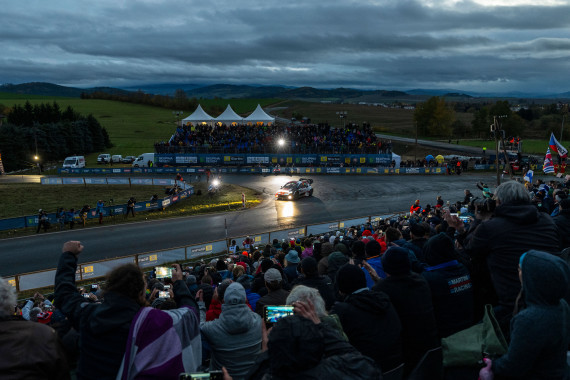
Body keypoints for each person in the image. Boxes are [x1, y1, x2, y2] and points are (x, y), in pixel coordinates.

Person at [55, 241, 201, 380]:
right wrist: (179, 283)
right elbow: (191, 313)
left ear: (109, 288)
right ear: (141, 293)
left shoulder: (88, 314)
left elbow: (64, 294)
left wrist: (68, 255)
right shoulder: (154, 321)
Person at [463, 181, 559, 330]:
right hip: (552, 298)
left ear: (499, 201)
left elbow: (470, 250)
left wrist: (479, 220)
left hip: (512, 306)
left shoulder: (490, 227)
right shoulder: (547, 220)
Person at [480, 250, 570, 380]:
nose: (518, 273)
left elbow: (513, 366)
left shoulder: (529, 320)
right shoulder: (562, 305)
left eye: (520, 269)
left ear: (533, 278)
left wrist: (492, 366)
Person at [371, 247, 440, 375]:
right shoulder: (421, 280)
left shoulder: (381, 290)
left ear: (386, 268)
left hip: (406, 353)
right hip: (431, 346)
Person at [331, 264, 403, 374]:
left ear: (341, 289)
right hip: (399, 366)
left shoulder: (342, 311)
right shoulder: (383, 298)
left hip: (368, 372)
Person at [0, 278, 70, 379]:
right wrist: (42, 299)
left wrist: (33, 300)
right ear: (10, 303)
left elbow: (25, 310)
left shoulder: (30, 322)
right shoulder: (43, 332)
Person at [198, 282, 262, 379]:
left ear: (223, 300)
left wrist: (201, 305)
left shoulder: (212, 328)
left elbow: (199, 325)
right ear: (245, 299)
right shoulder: (258, 321)